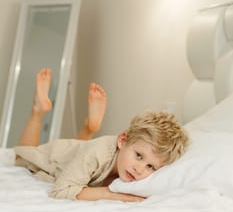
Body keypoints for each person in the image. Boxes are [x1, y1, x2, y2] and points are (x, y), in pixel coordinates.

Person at [15, 68, 189, 202]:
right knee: (22, 154)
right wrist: (110, 194)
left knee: (80, 151)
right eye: (138, 155)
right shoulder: (99, 153)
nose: (139, 169)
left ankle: (89, 129)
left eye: (151, 166)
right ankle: (38, 110)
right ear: (122, 140)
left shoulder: (128, 167)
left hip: (78, 152)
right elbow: (60, 191)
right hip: (52, 157)